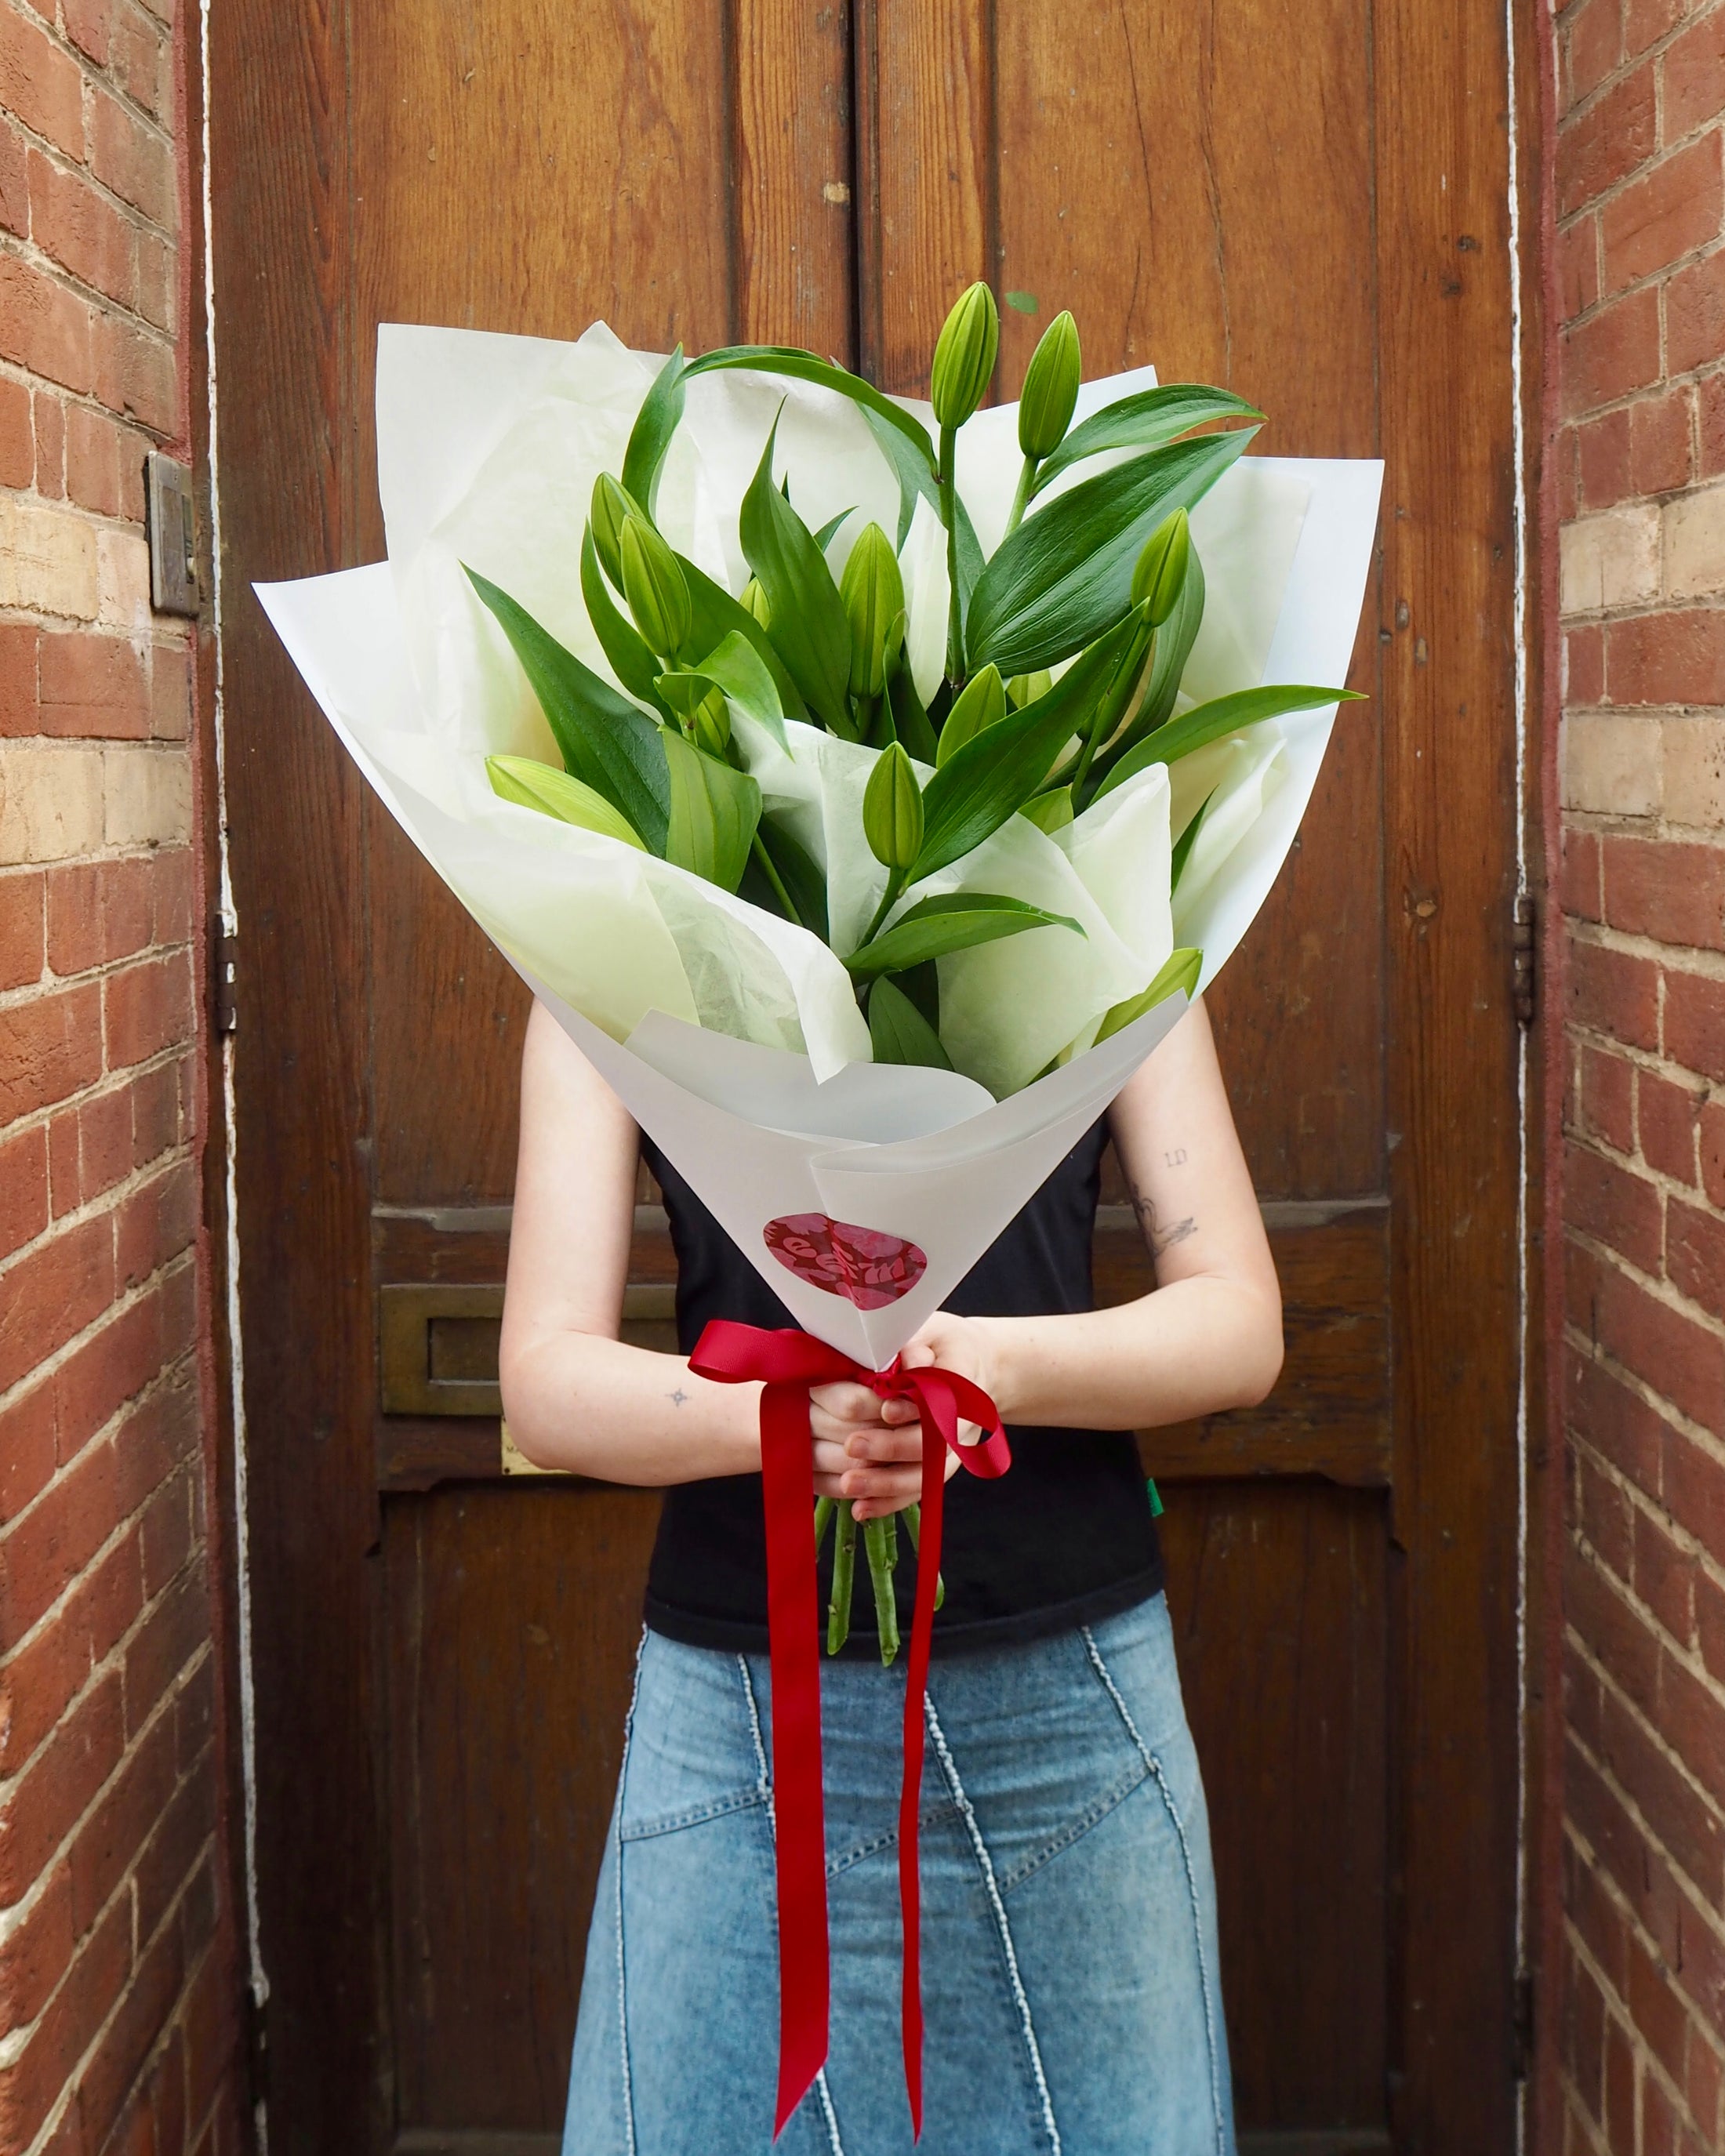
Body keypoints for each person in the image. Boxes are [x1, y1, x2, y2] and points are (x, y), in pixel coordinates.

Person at [501, 993, 1282, 2156]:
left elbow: (1239, 1324)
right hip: (738, 1727)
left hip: (1067, 1729)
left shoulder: (1110, 935)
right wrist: (784, 1421)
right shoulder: (613, 951)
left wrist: (991, 1369)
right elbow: (543, 1378)